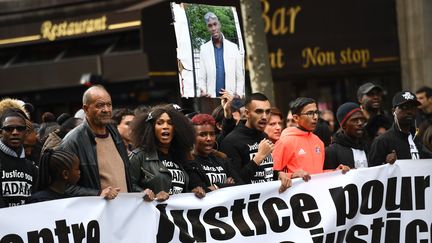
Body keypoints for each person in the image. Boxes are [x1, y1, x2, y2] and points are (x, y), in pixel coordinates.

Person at [60, 85, 133, 199]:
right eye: (100, 105)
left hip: (125, 211)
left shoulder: (114, 133)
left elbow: (126, 179)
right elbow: (63, 187)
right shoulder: (73, 141)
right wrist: (98, 194)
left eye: (109, 104)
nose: (106, 109)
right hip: (97, 214)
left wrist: (143, 192)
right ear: (86, 109)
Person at [129, 104, 205, 201]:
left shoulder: (180, 157)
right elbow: (128, 184)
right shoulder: (139, 156)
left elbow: (180, 189)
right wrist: (144, 193)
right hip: (154, 214)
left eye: (170, 123)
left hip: (177, 215)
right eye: (160, 123)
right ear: (151, 128)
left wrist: (193, 191)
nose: (166, 127)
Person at [220, 93, 291, 192]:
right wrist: (258, 158)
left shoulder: (264, 136)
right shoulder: (231, 141)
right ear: (246, 113)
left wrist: (278, 174)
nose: (264, 116)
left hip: (267, 200)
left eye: (267, 112)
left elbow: (264, 173)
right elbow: (236, 183)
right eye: (259, 111)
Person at [273, 97, 349, 180]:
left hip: (315, 192)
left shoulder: (318, 141)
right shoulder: (284, 142)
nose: (315, 117)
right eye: (310, 113)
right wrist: (292, 175)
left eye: (316, 112)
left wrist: (336, 172)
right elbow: (272, 175)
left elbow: (318, 174)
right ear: (296, 118)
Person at [185, 114, 243, 192]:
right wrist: (227, 186)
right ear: (192, 137)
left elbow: (240, 184)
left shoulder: (223, 160)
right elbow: (201, 190)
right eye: (202, 135)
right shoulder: (189, 162)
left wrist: (216, 186)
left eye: (212, 134)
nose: (209, 139)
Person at [369, 91, 423, 166]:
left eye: (413, 107)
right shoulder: (382, 141)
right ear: (393, 111)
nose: (409, 111)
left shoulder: (419, 138)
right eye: (404, 107)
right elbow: (372, 172)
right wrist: (385, 163)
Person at [198, 12, 244, 98]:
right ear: (207, 28)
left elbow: (240, 76)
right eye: (210, 26)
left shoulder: (233, 47)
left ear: (219, 25)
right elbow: (202, 77)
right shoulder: (204, 49)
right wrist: (203, 91)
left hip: (230, 98)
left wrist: (238, 94)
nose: (213, 28)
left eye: (215, 24)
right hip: (212, 98)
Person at [0, 108, 38, 208]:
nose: (15, 132)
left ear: (25, 132)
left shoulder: (32, 168)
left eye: (20, 129)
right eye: (9, 129)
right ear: (1, 133)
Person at [324, 102, 369, 169]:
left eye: (362, 119)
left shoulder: (369, 146)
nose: (360, 123)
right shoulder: (332, 151)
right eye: (354, 120)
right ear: (344, 126)